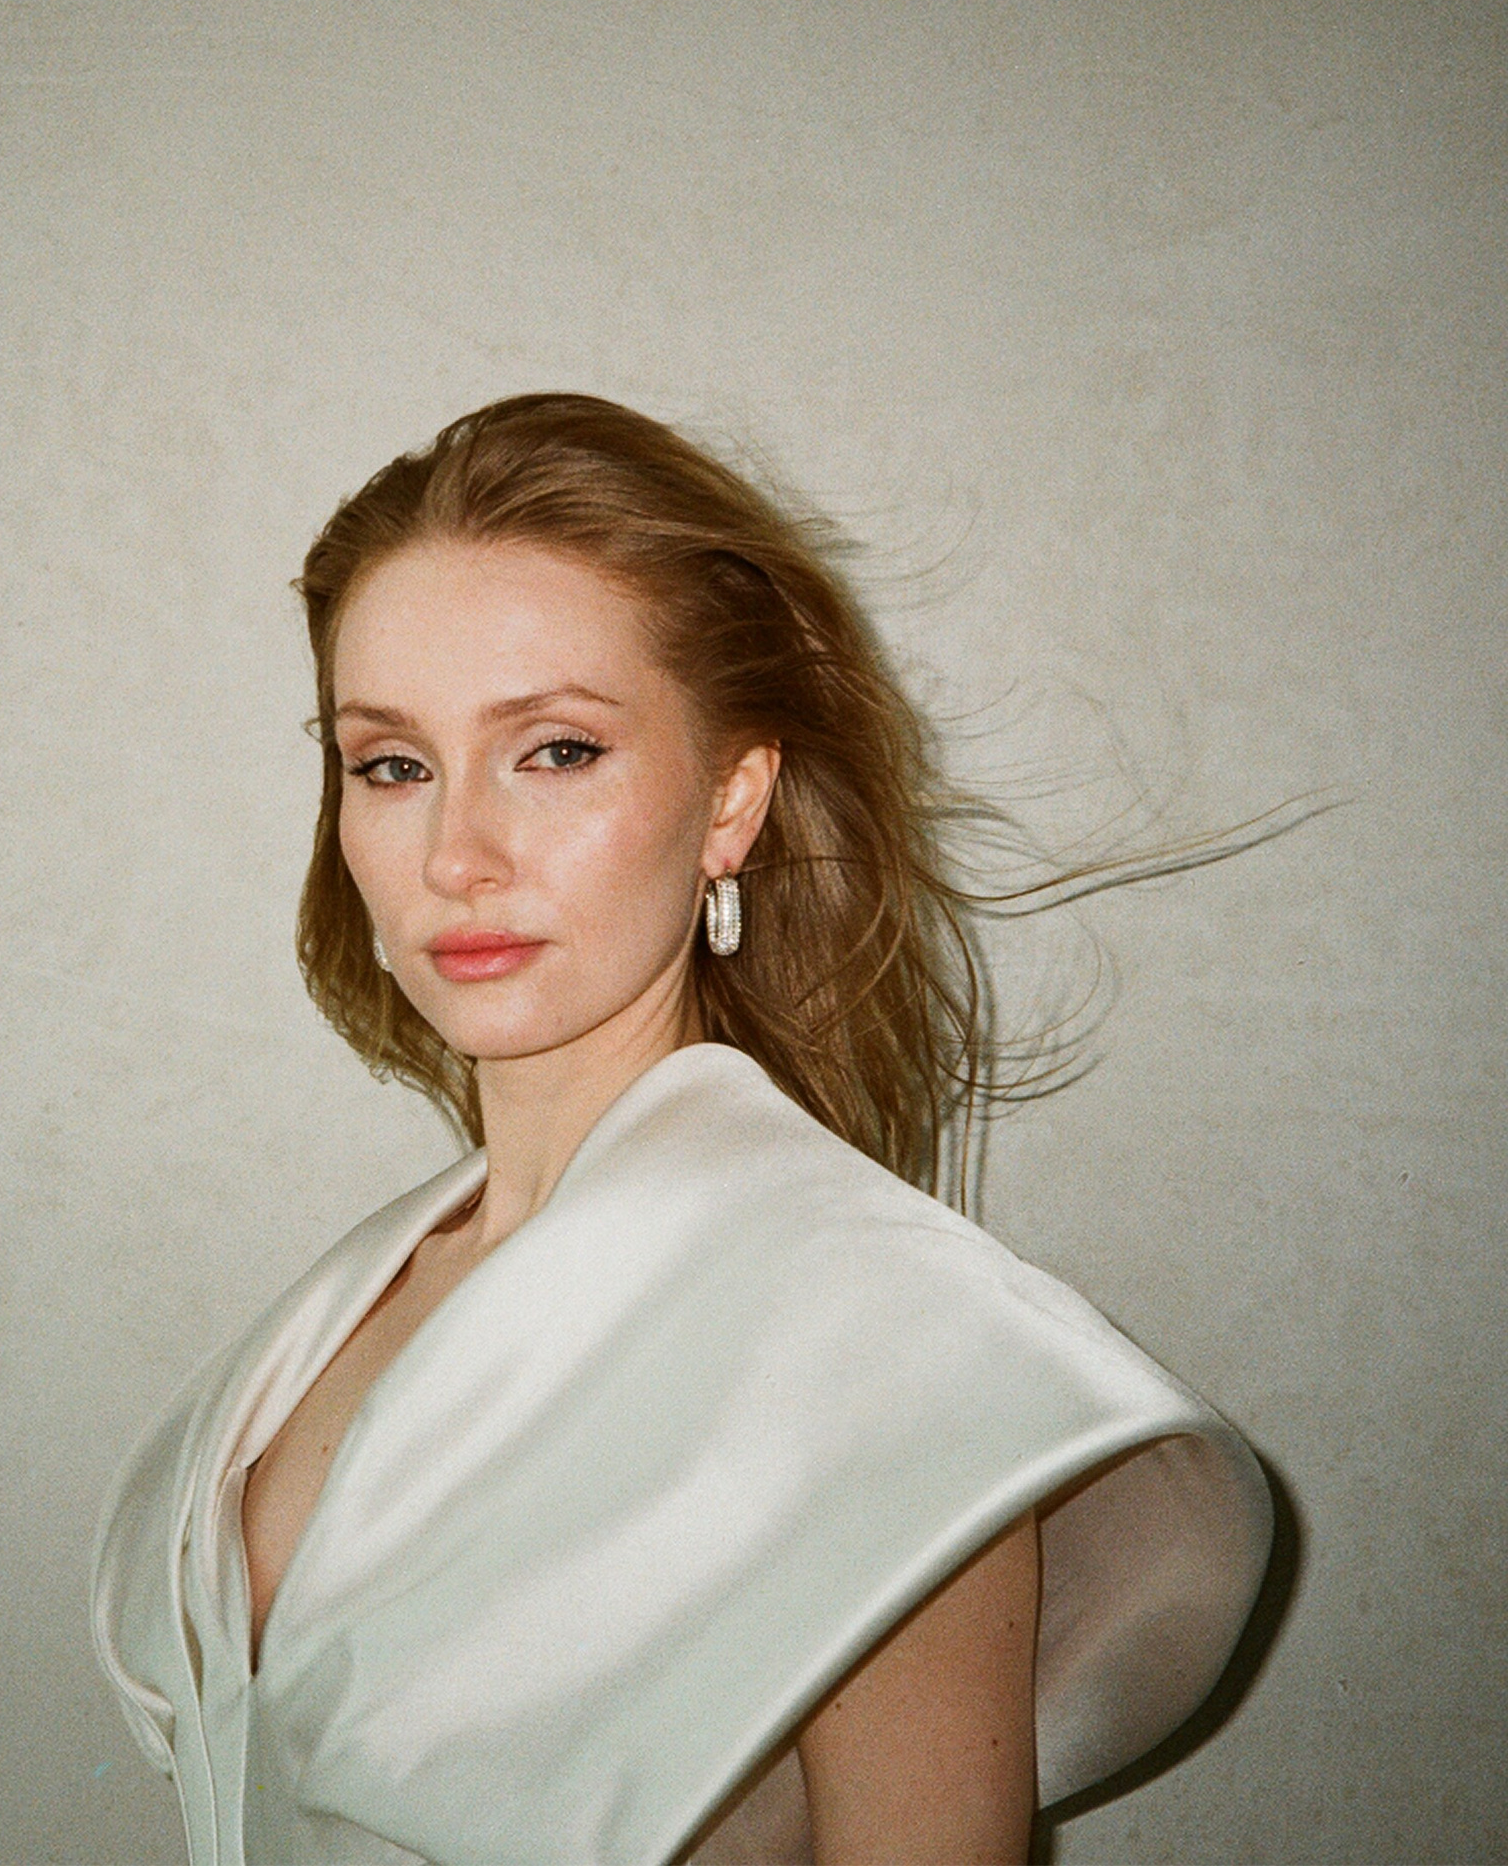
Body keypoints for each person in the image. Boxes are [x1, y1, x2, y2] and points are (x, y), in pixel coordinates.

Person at [91, 394, 1272, 1866]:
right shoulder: (341, 1310)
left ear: (731, 799)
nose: (457, 855)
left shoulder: (893, 1359)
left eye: (556, 751)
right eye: (392, 764)